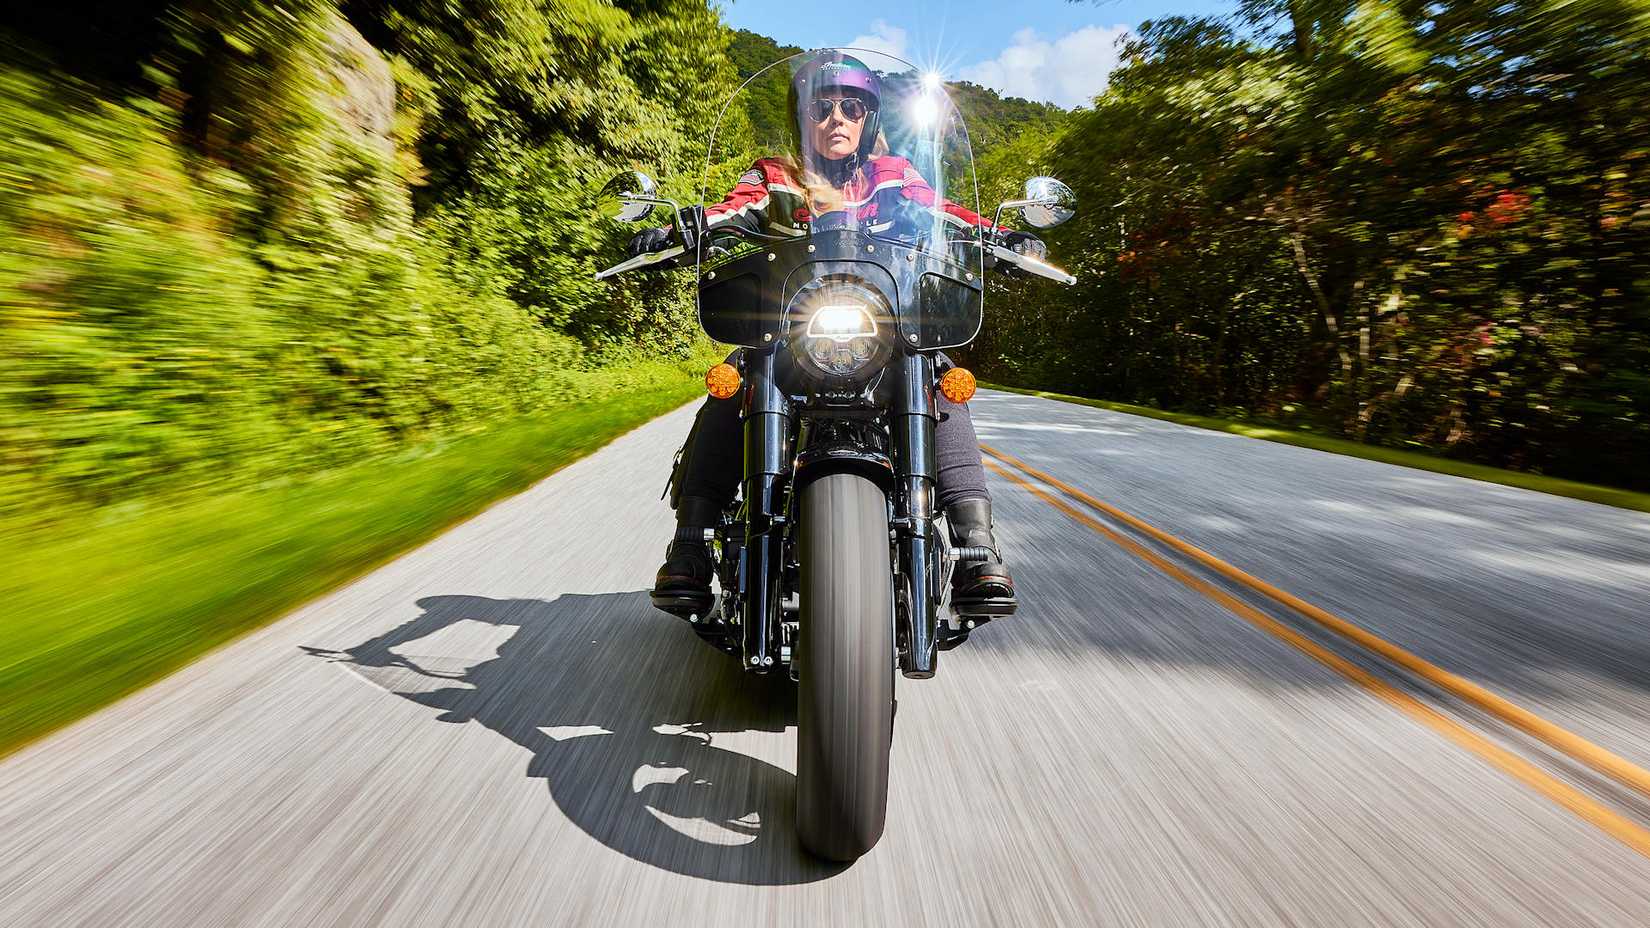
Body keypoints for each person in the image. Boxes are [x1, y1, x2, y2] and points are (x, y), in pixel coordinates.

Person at [638, 51, 1039, 620]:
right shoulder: (776, 176)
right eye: (822, 107)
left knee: (941, 382)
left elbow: (944, 213)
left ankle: (977, 547)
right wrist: (682, 227)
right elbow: (732, 209)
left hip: (887, 329)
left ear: (868, 119)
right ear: (803, 116)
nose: (836, 119)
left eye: (851, 107)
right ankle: (691, 546)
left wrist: (1003, 236)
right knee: (737, 382)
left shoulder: (895, 176)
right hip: (791, 329)